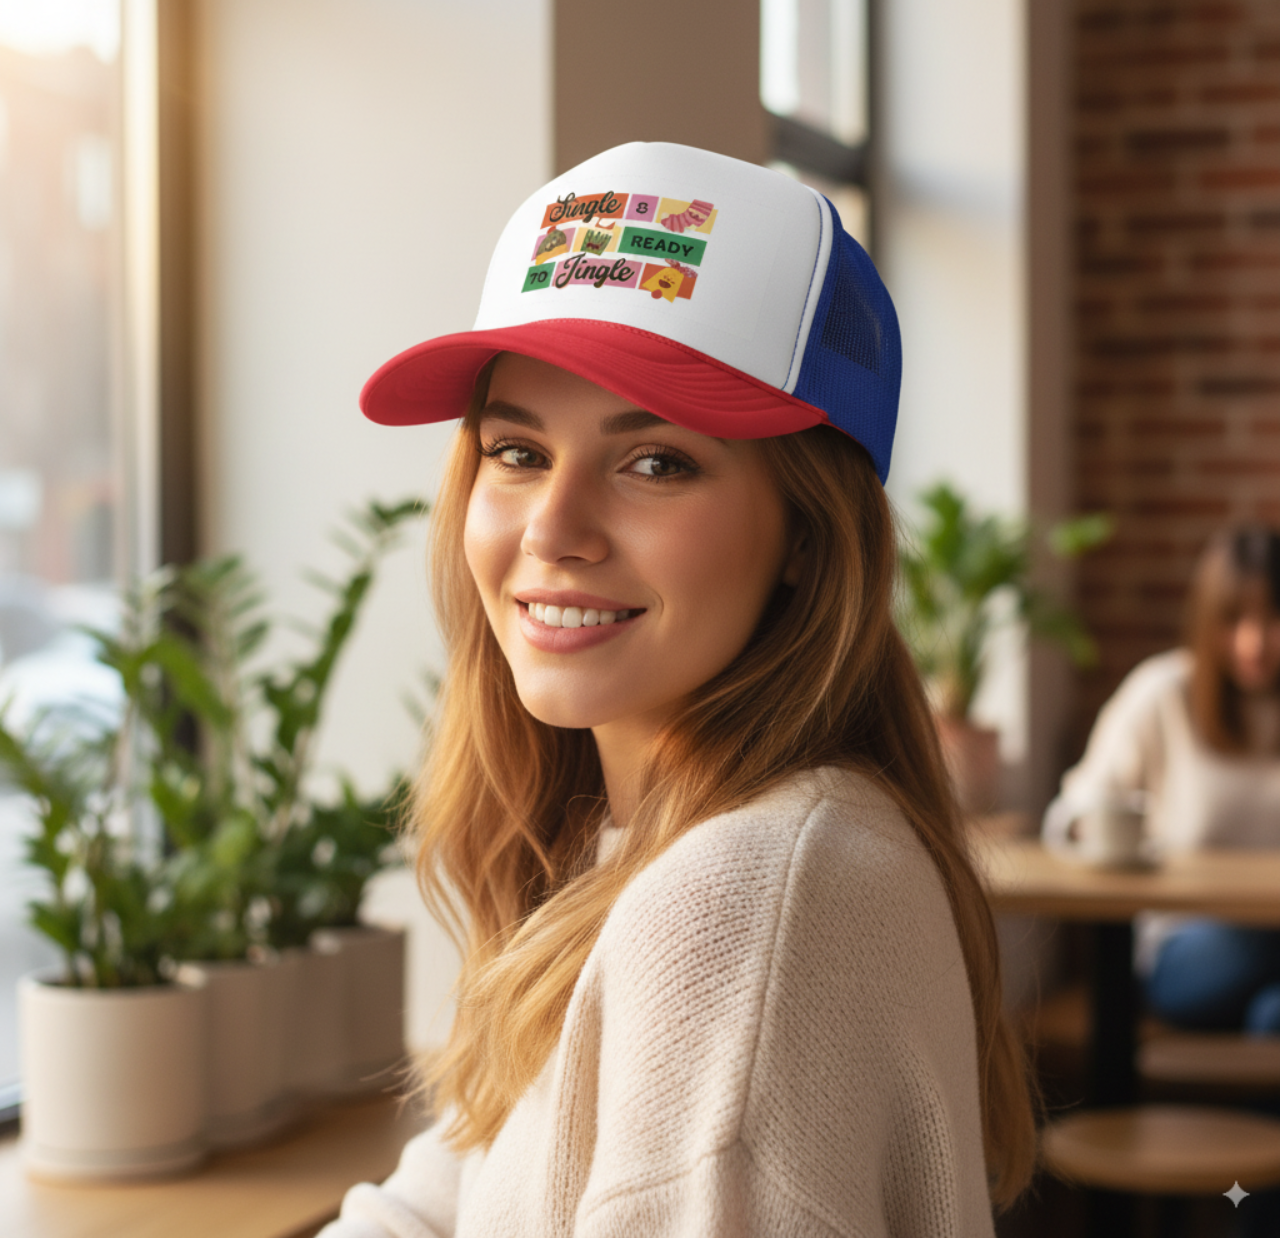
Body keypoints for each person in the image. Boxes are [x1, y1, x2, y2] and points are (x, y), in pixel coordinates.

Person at [321, 142, 1035, 1236]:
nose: (551, 530)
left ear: (805, 531)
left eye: (653, 460)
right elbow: (453, 1179)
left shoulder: (744, 900)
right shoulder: (640, 834)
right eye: (516, 451)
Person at [1043, 526, 1280, 1031]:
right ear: (1207, 619)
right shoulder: (1162, 694)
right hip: (1184, 953)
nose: (1255, 642)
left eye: (1274, 618)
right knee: (1261, 937)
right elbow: (1068, 817)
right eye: (1235, 619)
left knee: (1272, 1017)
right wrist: (1102, 832)